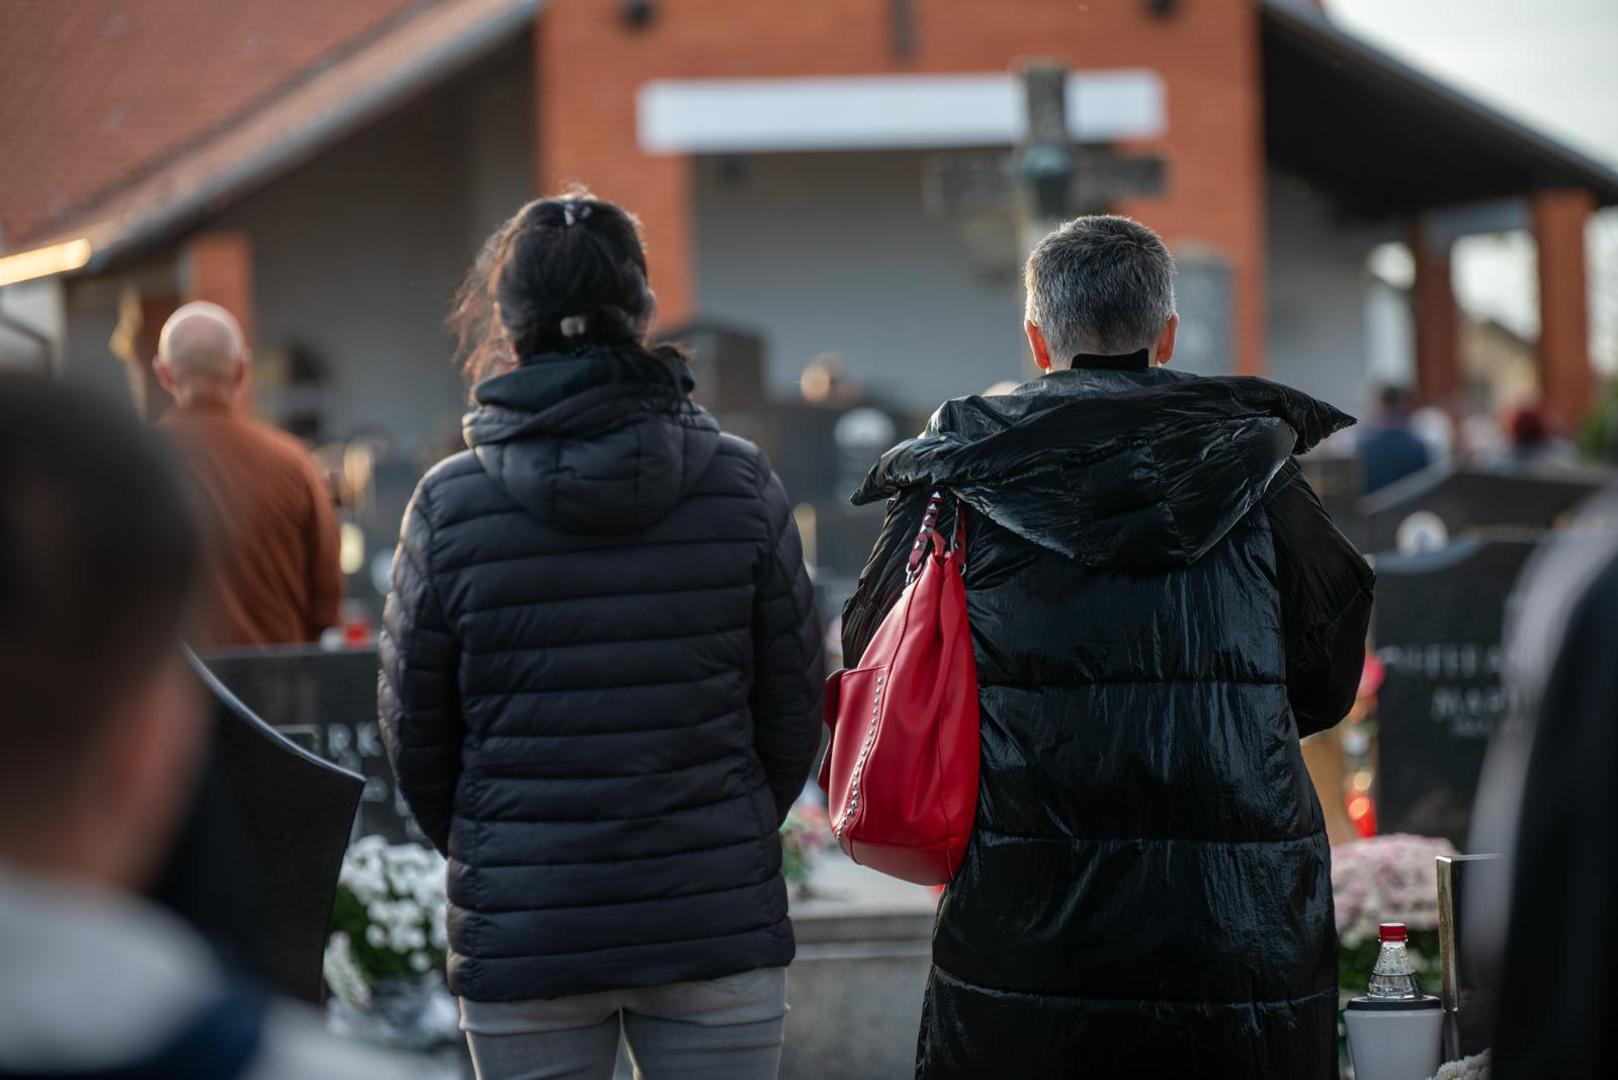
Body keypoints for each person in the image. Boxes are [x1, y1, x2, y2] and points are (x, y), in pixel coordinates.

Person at [842, 215, 1375, 1078]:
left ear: (1036, 337)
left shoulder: (961, 475)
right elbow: (1327, 653)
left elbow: (876, 647)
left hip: (1023, 902)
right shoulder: (1259, 464)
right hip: (1232, 912)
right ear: (1165, 334)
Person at [379, 191, 824, 1080]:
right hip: (710, 920)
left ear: (509, 323)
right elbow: (795, 705)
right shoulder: (738, 484)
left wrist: (502, 846)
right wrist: (723, 830)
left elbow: (415, 735)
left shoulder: (449, 504)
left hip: (530, 926)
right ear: (644, 311)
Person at [0, 374, 409, 1080]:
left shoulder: (145, 472)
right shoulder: (280, 467)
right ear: (158, 735)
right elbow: (322, 600)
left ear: (165, 372)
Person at [155, 302, 342, 647]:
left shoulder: (134, 463)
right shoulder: (293, 464)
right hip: (271, 690)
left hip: (168, 690)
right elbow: (327, 600)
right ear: (242, 369)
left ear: (164, 374)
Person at [1357, 384, 1432, 494]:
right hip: (1410, 506)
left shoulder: (1365, 447)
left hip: (1374, 507)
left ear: (1381, 404)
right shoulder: (1418, 446)